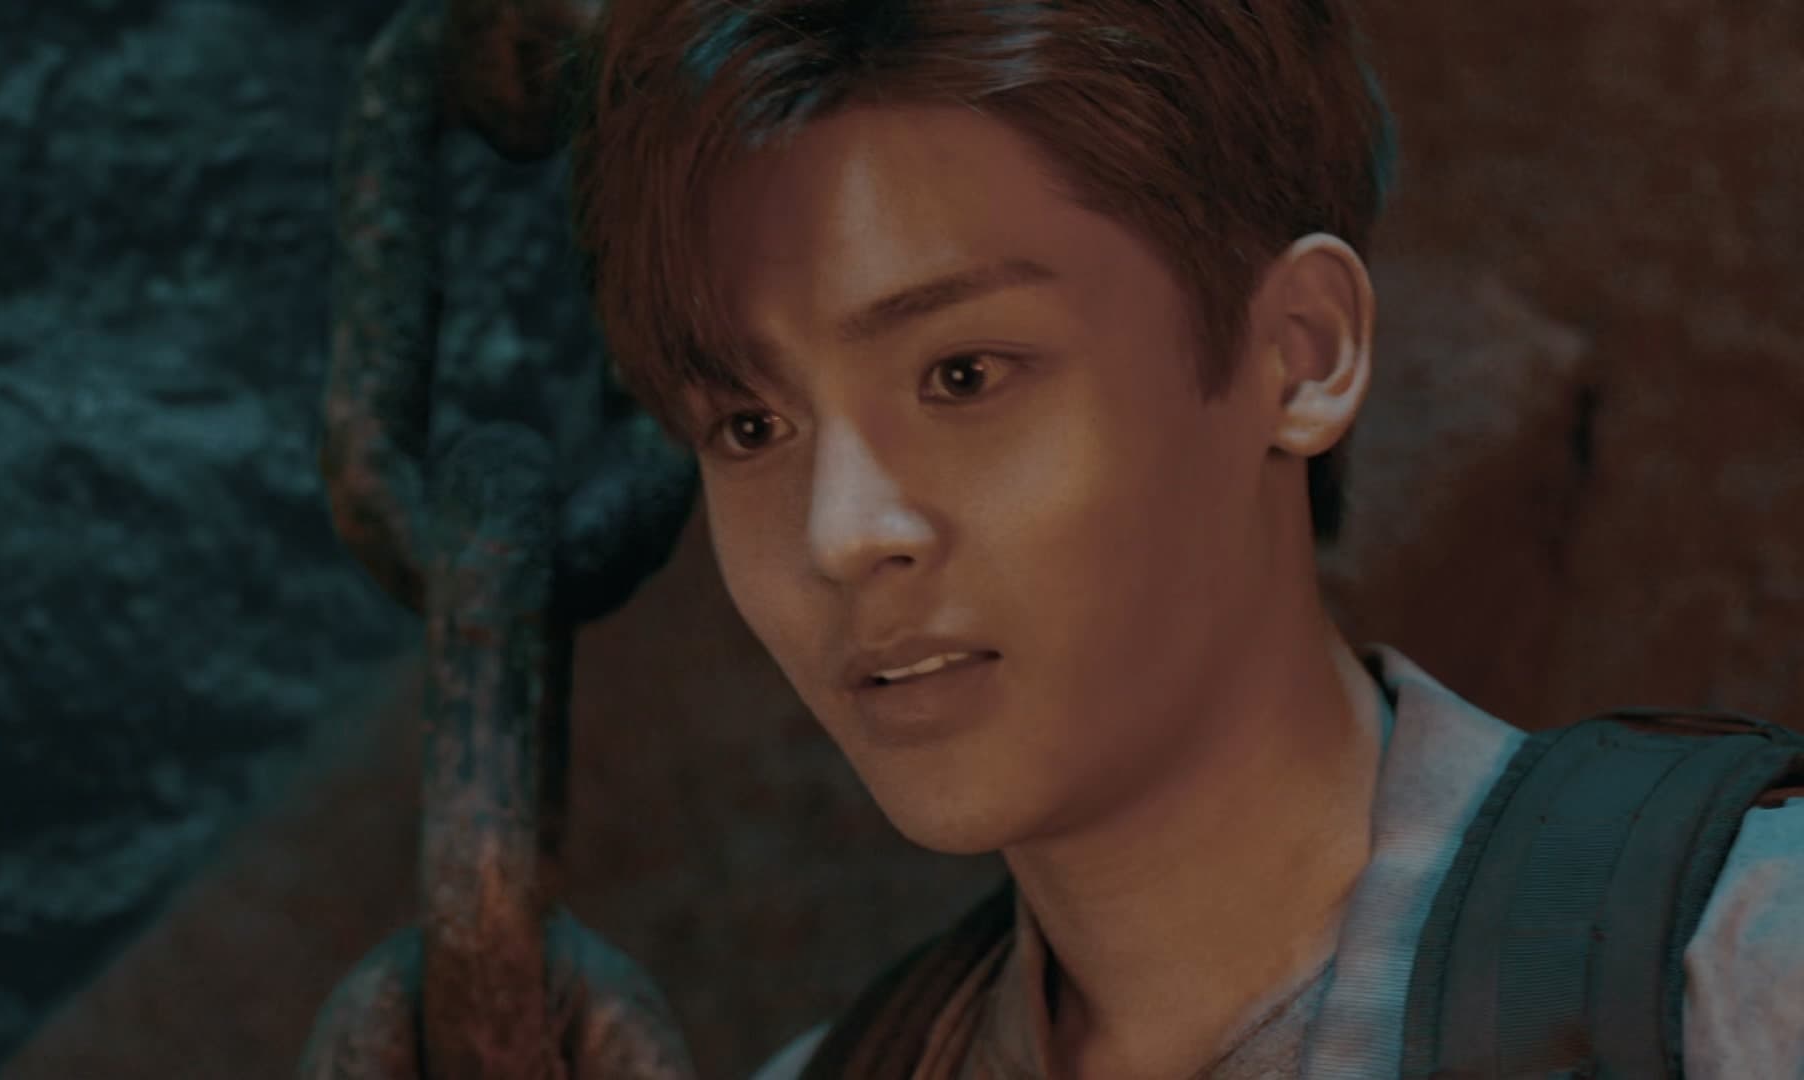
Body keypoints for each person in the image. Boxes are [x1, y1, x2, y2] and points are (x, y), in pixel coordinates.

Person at [560, 1, 1804, 1076]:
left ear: (1299, 354)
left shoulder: (1739, 971)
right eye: (752, 425)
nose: (840, 532)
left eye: (964, 374)